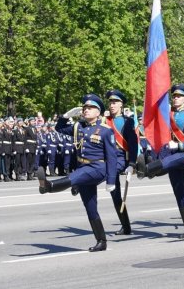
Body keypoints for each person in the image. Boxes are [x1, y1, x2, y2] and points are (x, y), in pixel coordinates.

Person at [37, 94, 118, 252]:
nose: (86, 110)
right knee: (90, 207)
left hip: (97, 168)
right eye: (85, 108)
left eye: (90, 108)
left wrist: (111, 180)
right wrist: (65, 116)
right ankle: (101, 241)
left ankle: (49, 185)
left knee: (76, 177)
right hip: (83, 167)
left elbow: (112, 157)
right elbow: (59, 129)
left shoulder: (106, 131)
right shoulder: (78, 127)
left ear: (99, 112)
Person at [137, 84, 184, 239]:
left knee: (171, 160)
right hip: (172, 159)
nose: (175, 98)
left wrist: (179, 145)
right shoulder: (168, 114)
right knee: (179, 194)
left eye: (179, 96)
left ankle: (146, 170)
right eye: (174, 96)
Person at [104, 89, 138, 235]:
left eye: (115, 102)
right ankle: (126, 226)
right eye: (111, 102)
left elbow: (133, 144)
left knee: (114, 190)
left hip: (119, 159)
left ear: (121, 104)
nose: (112, 105)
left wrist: (131, 163)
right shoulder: (104, 121)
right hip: (105, 159)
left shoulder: (126, 121)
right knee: (115, 196)